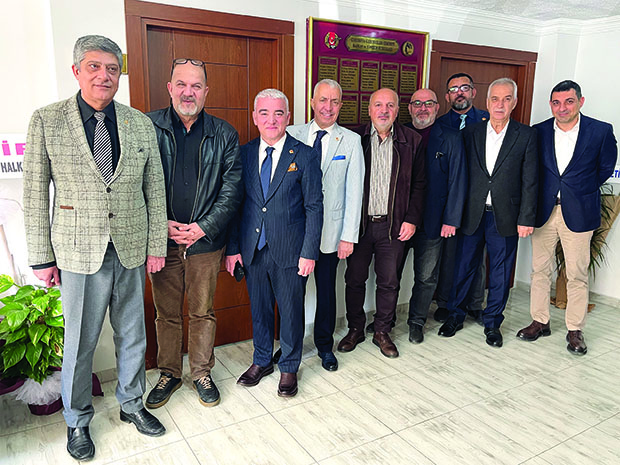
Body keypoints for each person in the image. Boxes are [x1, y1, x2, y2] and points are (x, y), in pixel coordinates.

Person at [23, 35, 168, 461]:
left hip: (130, 246)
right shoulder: (47, 120)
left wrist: (156, 244)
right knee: (80, 341)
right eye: (94, 66)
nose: (104, 75)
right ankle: (77, 420)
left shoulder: (139, 123)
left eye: (112, 68)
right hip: (77, 251)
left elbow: (154, 189)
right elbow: (35, 194)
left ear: (120, 74)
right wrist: (41, 257)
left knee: (133, 334)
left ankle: (132, 403)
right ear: (76, 71)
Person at [145, 58, 242, 408]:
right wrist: (160, 225)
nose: (189, 92)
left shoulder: (224, 133)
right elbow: (135, 184)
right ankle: (169, 373)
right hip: (162, 242)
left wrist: (203, 227)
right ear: (170, 88)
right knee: (166, 314)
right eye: (182, 85)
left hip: (205, 243)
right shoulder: (147, 127)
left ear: (206, 91)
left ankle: (201, 372)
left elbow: (232, 189)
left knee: (203, 312)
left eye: (196, 86)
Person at [225, 89, 323, 397]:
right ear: (255, 117)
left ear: (288, 117)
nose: (271, 120)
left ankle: (289, 366)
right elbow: (235, 206)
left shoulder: (304, 154)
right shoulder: (243, 154)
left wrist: (309, 252)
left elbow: (314, 207)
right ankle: (262, 360)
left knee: (291, 311)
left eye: (278, 113)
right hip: (253, 249)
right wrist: (233, 249)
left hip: (291, 251)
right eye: (264, 113)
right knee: (260, 310)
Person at [517, 80, 617, 355]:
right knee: (539, 270)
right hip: (544, 211)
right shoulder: (538, 131)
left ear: (580, 102)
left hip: (579, 211)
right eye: (556, 102)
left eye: (569, 101)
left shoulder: (600, 131)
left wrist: (579, 190)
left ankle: (575, 329)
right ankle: (540, 321)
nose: (562, 108)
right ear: (551, 105)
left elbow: (605, 167)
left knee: (577, 274)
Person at [438, 78, 538, 348]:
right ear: (486, 102)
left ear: (514, 102)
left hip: (505, 216)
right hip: (472, 213)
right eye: (495, 99)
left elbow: (530, 180)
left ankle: (492, 322)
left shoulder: (526, 135)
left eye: (506, 99)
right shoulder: (471, 132)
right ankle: (455, 315)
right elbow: (459, 176)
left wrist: (526, 218)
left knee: (500, 273)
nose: (500, 104)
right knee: (463, 267)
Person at [337, 88, 425, 358]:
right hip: (360, 226)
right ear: (369, 109)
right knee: (354, 279)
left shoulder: (413, 140)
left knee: (389, 282)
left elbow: (420, 185)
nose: (383, 111)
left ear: (397, 110)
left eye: (390, 105)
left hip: (393, 226)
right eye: (378, 105)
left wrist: (411, 219)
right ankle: (355, 329)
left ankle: (382, 331)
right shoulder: (355, 139)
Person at [286, 79, 364, 371]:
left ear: (340, 105)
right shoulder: (292, 134)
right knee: (292, 295)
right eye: (322, 100)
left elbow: (355, 192)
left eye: (334, 101)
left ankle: (324, 346)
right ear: (312, 102)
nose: (328, 107)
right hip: (295, 233)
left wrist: (348, 236)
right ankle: (290, 347)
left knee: (327, 293)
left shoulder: (351, 141)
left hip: (331, 233)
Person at [398, 88, 467, 343]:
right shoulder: (399, 134)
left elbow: (458, 180)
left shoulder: (450, 137)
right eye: (417, 103)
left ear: (437, 108)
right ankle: (386, 320)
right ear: (409, 108)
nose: (423, 108)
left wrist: (451, 219)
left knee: (426, 277)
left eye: (428, 103)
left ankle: (416, 321)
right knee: (390, 275)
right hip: (400, 220)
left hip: (433, 222)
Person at [435, 73, 490, 324]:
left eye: (464, 88)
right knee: (449, 255)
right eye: (454, 89)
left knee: (476, 255)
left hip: (479, 200)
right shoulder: (440, 124)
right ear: (447, 96)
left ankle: (475, 303)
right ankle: (445, 303)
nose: (459, 93)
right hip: (449, 200)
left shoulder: (488, 121)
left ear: (473, 92)